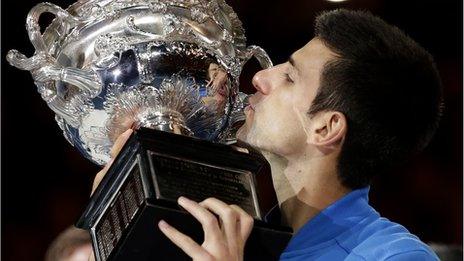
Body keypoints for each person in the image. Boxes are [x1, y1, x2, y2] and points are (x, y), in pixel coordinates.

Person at [91, 9, 443, 260]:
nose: (261, 78)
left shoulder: (393, 256)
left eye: (290, 77)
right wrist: (115, 220)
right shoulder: (232, 237)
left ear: (326, 127)